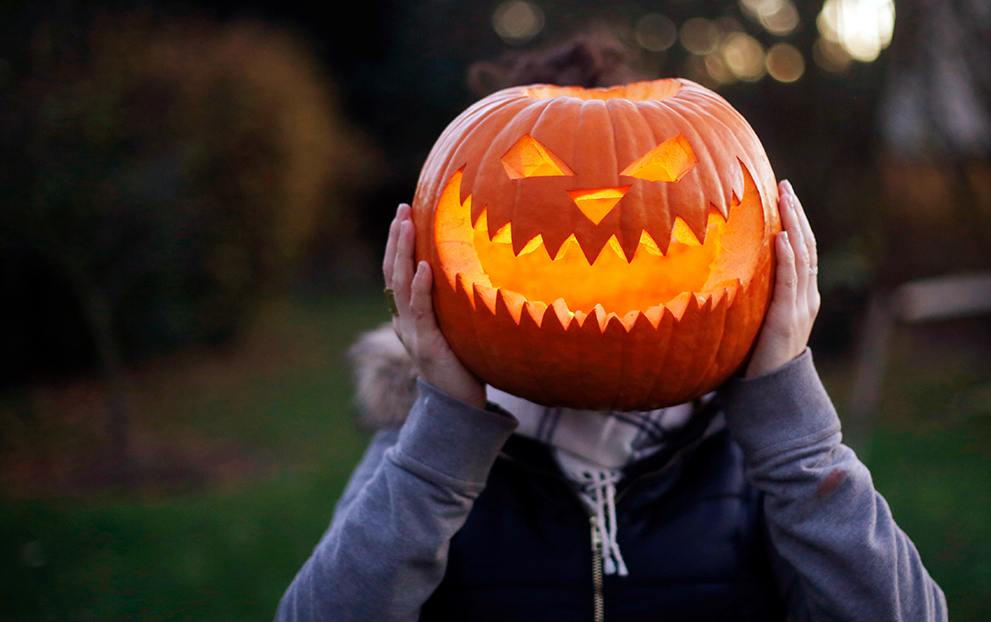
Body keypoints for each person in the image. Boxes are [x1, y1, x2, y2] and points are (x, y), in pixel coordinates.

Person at [277, 37, 946, 622]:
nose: (599, 203)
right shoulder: (425, 448)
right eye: (535, 170)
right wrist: (444, 429)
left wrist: (792, 428)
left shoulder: (758, 459)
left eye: (658, 168)